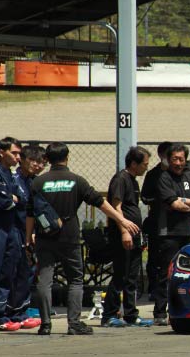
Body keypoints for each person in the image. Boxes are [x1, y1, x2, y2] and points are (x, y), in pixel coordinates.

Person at [26, 142, 140, 336]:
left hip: (45, 237)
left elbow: (30, 213)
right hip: (69, 237)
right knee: (76, 279)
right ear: (67, 157)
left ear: (48, 159)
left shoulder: (38, 182)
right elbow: (100, 202)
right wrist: (121, 219)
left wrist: (28, 238)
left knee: (44, 280)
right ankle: (74, 323)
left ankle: (45, 324)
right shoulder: (76, 180)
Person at [151, 143, 190, 326]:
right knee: (166, 272)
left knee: (187, 274)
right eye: (175, 159)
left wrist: (182, 201)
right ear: (168, 159)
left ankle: (183, 308)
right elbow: (174, 204)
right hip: (168, 233)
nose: (178, 163)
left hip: (188, 232)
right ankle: (160, 312)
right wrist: (188, 203)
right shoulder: (163, 178)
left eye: (181, 159)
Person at [101, 146, 153, 328]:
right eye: (144, 164)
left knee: (132, 277)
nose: (146, 167)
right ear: (133, 163)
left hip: (135, 235)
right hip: (123, 236)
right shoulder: (120, 179)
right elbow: (116, 207)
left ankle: (131, 314)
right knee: (121, 275)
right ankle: (108, 315)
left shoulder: (134, 181)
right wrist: (124, 231)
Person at [8, 144, 46, 330]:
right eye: (34, 161)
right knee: (14, 272)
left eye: (42, 163)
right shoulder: (14, 180)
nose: (38, 166)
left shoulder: (35, 181)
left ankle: (21, 311)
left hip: (30, 232)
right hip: (15, 231)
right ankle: (11, 312)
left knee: (27, 272)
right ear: (22, 160)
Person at [0, 137, 24, 332]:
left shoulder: (12, 175)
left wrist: (13, 198)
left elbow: (20, 198)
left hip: (11, 228)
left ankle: (0, 313)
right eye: (14, 153)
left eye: (19, 154)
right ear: (2, 152)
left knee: (8, 270)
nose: (18, 157)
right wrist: (11, 198)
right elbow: (4, 201)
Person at [141, 141, 172, 301]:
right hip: (157, 222)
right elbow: (145, 196)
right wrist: (160, 200)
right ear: (161, 156)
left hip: (175, 223)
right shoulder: (153, 174)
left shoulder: (179, 173)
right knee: (154, 257)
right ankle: (154, 289)